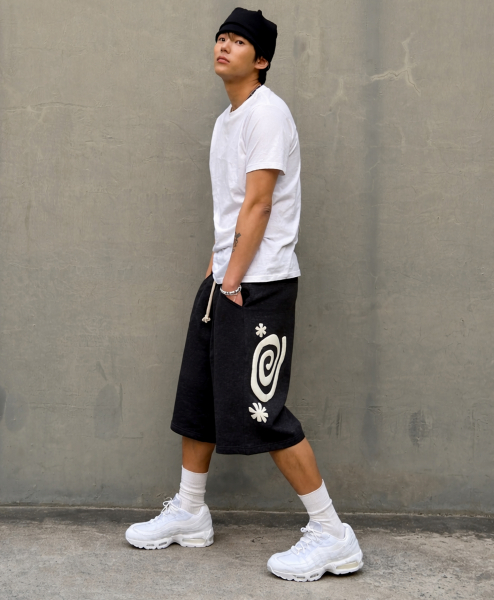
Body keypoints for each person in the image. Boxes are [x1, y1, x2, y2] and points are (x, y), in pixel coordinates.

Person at [125, 7, 363, 582]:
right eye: (221, 37)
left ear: (261, 60)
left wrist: (231, 279)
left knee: (263, 409)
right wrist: (216, 268)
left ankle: (333, 534)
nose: (224, 46)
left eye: (237, 41)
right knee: (199, 395)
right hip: (227, 278)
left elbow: (259, 203)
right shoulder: (226, 120)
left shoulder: (268, 113)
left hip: (258, 284)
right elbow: (233, 207)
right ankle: (190, 511)